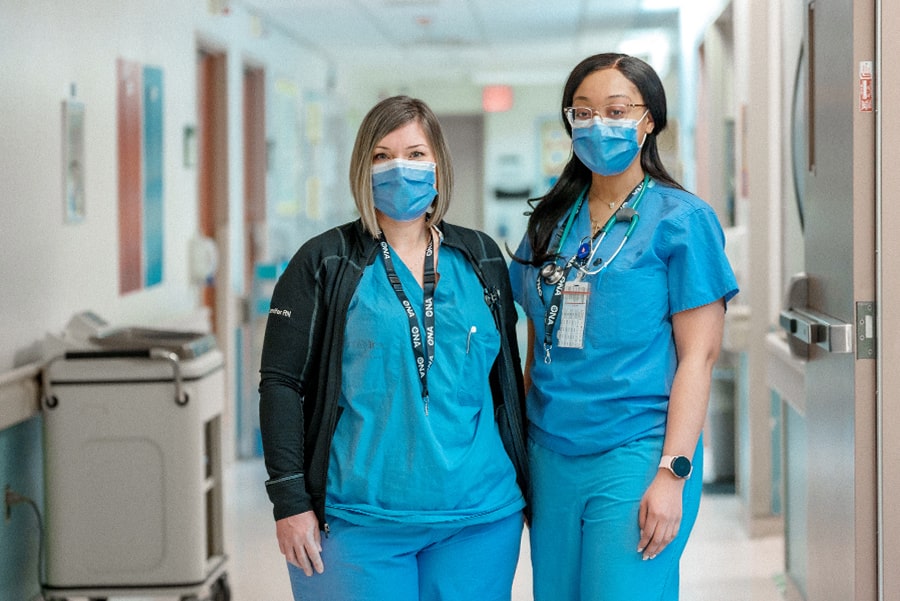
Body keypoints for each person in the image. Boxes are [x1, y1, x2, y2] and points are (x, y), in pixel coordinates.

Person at [258, 95, 530, 601]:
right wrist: (289, 501)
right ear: (362, 168)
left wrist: (531, 494)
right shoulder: (323, 262)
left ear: (439, 167)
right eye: (382, 156)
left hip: (479, 520)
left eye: (415, 154)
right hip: (357, 522)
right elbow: (280, 386)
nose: (398, 168)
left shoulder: (481, 258)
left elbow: (506, 383)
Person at [508, 53, 739, 601]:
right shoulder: (549, 223)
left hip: (637, 448)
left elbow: (699, 358)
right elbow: (531, 344)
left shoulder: (681, 220)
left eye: (615, 110)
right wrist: (516, 454)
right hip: (550, 451)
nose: (597, 125)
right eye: (582, 113)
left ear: (648, 120)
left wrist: (673, 472)